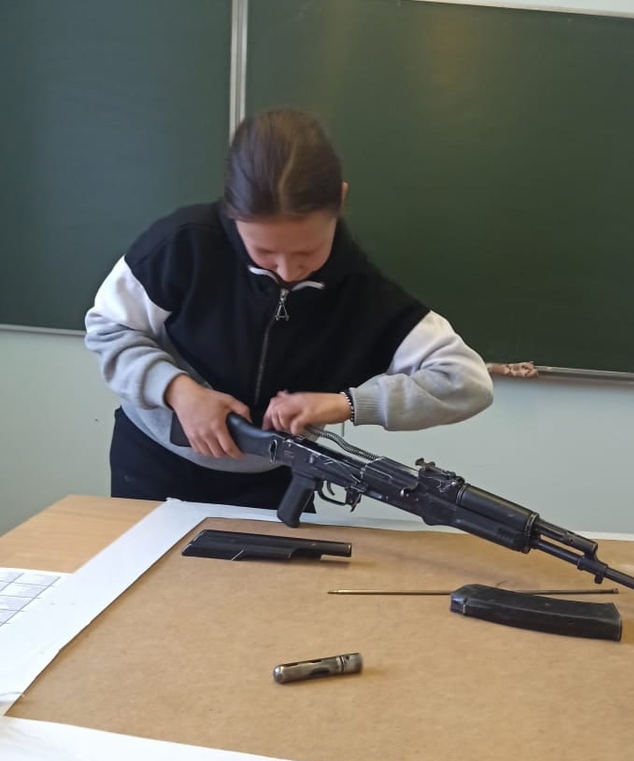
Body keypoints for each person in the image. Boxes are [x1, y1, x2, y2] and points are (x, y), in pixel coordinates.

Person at [85, 108, 494, 509]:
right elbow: (109, 330)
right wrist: (178, 391)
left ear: (340, 200)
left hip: (275, 482)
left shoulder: (364, 291)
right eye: (264, 251)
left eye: (307, 251)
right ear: (232, 211)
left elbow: (466, 382)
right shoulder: (181, 245)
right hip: (155, 465)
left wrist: (345, 404)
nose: (285, 270)